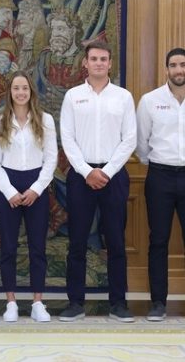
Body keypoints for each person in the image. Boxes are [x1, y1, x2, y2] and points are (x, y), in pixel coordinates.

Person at [59, 41, 136, 322]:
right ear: (85, 63)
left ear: (110, 63)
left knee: (115, 241)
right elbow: (67, 137)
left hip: (114, 176)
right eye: (94, 59)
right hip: (81, 177)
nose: (99, 63)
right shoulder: (73, 96)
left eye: (104, 59)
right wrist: (86, 171)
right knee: (77, 241)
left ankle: (118, 303)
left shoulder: (123, 97)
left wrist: (108, 171)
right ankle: (75, 303)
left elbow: (130, 139)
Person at [0, 71, 57, 322]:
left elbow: (51, 159)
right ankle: (11, 303)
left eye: (24, 89)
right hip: (9, 185)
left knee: (37, 247)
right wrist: (10, 192)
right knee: (8, 247)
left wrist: (37, 189)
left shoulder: (45, 120)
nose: (20, 93)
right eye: (16, 88)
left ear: (31, 92)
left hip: (36, 185)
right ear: (10, 92)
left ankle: (38, 302)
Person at [136, 47, 185, 321]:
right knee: (158, 241)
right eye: (174, 65)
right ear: (166, 69)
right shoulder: (150, 101)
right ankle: (158, 303)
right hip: (160, 177)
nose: (179, 70)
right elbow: (141, 143)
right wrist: (153, 162)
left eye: (183, 64)